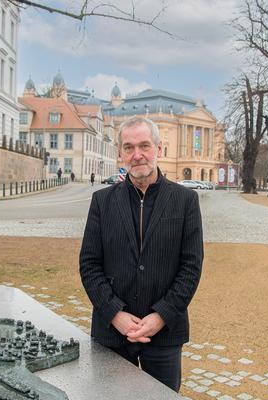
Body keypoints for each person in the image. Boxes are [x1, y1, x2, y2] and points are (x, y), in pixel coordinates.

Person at [79, 116, 203, 392]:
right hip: (112, 332)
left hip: (164, 333)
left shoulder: (185, 201)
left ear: (158, 149)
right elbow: (89, 265)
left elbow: (191, 267)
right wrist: (115, 314)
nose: (137, 155)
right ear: (120, 154)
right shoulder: (102, 201)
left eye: (144, 146)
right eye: (128, 147)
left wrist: (161, 315)